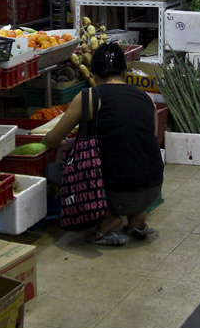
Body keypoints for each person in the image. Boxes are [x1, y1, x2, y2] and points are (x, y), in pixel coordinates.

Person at [42, 42, 164, 247]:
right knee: (129, 157)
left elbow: (53, 139)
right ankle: (137, 218)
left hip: (117, 195)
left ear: (92, 72)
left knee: (54, 171)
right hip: (152, 188)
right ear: (124, 71)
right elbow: (146, 140)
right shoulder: (145, 97)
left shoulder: (89, 97)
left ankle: (108, 217)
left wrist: (47, 141)